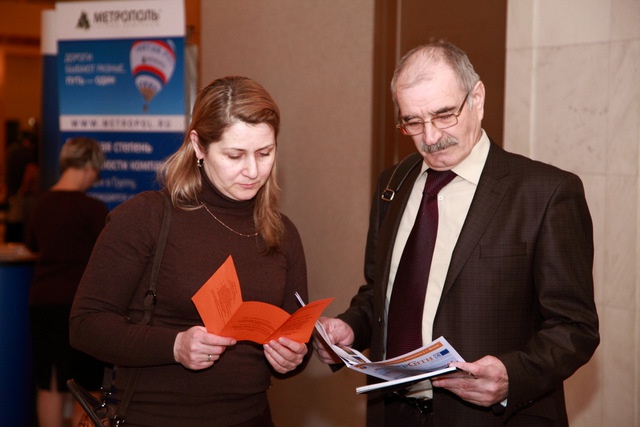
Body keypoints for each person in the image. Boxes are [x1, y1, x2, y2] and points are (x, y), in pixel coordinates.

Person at [313, 42, 599, 426]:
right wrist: (351, 325)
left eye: (444, 115)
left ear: (476, 99)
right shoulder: (394, 183)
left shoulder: (545, 193)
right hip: (393, 414)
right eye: (413, 122)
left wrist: (512, 375)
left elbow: (575, 327)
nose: (430, 137)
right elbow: (381, 293)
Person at [70, 76, 309, 427]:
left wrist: (293, 358)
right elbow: (85, 325)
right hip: (155, 418)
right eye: (235, 155)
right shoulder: (147, 217)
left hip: (253, 417)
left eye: (265, 153)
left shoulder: (281, 233)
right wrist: (175, 345)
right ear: (198, 146)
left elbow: (294, 342)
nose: (253, 170)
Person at [26, 136, 109, 427]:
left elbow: (32, 244)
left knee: (49, 384)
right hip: (81, 306)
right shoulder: (93, 209)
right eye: (96, 171)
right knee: (87, 388)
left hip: (43, 303)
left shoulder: (41, 204)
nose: (94, 178)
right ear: (89, 166)